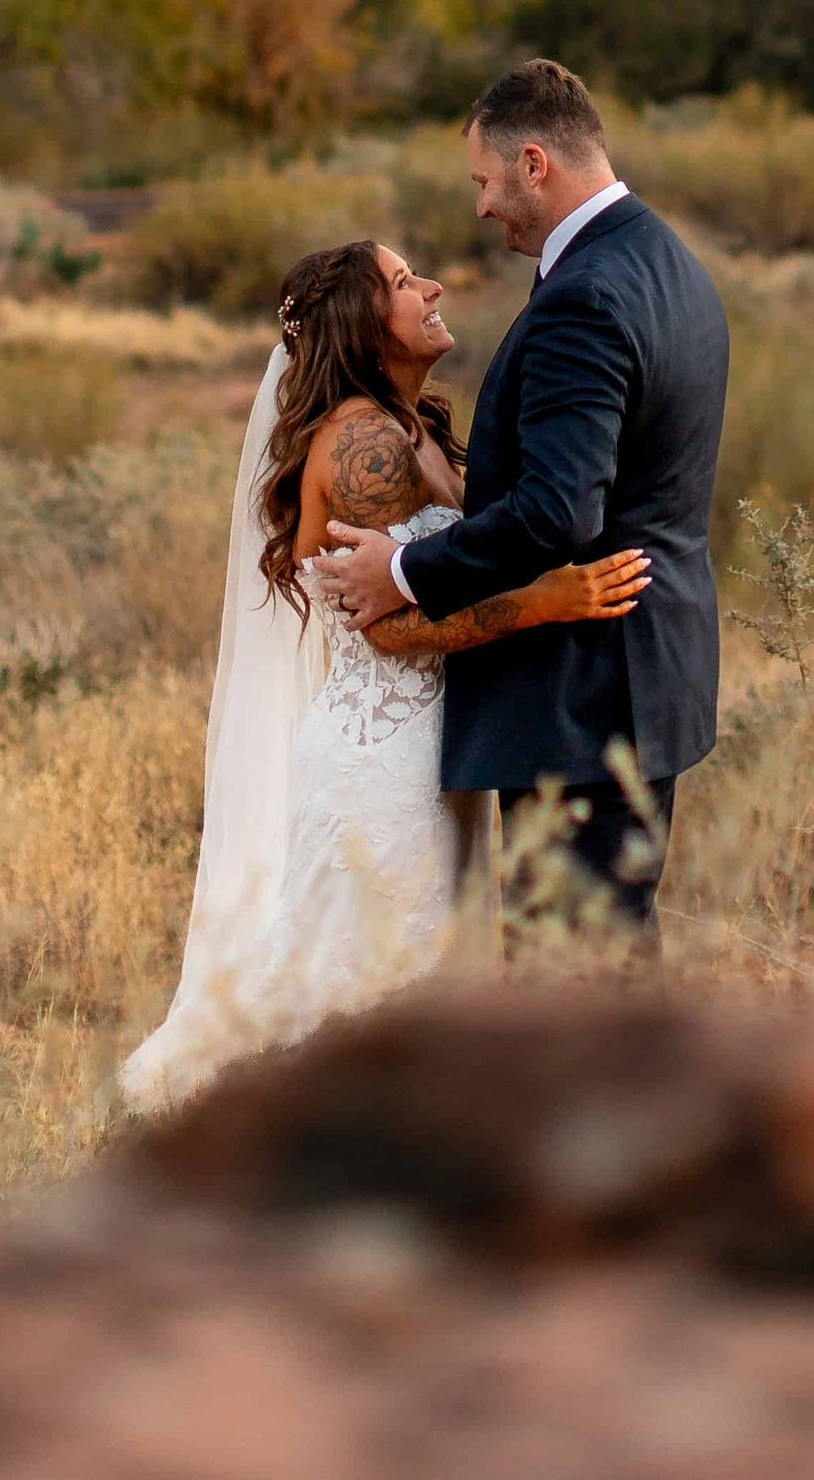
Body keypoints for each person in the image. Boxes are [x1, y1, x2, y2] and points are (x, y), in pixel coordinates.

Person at [119, 228, 648, 1112]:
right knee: (367, 982)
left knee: (420, 981)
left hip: (437, 749)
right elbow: (389, 631)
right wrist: (546, 601)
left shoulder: (417, 426)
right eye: (405, 282)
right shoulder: (363, 443)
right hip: (383, 759)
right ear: (366, 329)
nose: (433, 287)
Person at [324, 58, 729, 936]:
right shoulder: (667, 261)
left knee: (569, 974)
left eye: (483, 180)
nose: (480, 206)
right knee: (604, 954)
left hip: (580, 698)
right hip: (647, 674)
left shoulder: (584, 297)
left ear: (533, 163)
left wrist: (403, 567)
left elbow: (557, 512)